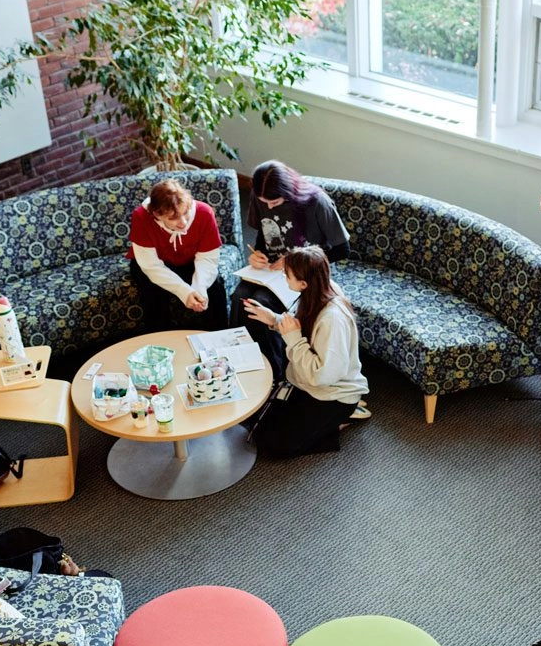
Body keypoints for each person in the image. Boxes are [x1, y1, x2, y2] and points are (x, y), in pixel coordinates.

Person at [242, 246, 370, 457]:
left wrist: (293, 338)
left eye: (287, 275)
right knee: (255, 422)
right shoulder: (316, 293)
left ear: (303, 283)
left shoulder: (332, 319)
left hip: (332, 393)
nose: (284, 277)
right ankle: (321, 423)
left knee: (270, 445)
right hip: (306, 383)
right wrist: (274, 319)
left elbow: (321, 376)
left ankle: (337, 422)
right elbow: (302, 328)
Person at [232, 161, 350, 380]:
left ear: (288, 193)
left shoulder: (317, 202)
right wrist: (258, 253)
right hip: (271, 269)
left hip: (303, 274)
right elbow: (263, 237)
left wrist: (295, 262)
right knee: (240, 298)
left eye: (274, 202)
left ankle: (273, 373)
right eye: (263, 202)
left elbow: (342, 249)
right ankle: (244, 364)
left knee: (260, 303)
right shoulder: (262, 197)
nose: (269, 207)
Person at [128, 178, 228, 332]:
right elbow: (151, 266)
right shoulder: (141, 217)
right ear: (157, 215)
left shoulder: (204, 213)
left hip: (190, 260)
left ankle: (220, 337)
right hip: (153, 262)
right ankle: (160, 339)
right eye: (173, 218)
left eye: (185, 213)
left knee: (214, 287)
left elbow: (207, 258)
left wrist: (199, 289)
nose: (183, 223)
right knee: (153, 291)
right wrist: (184, 292)